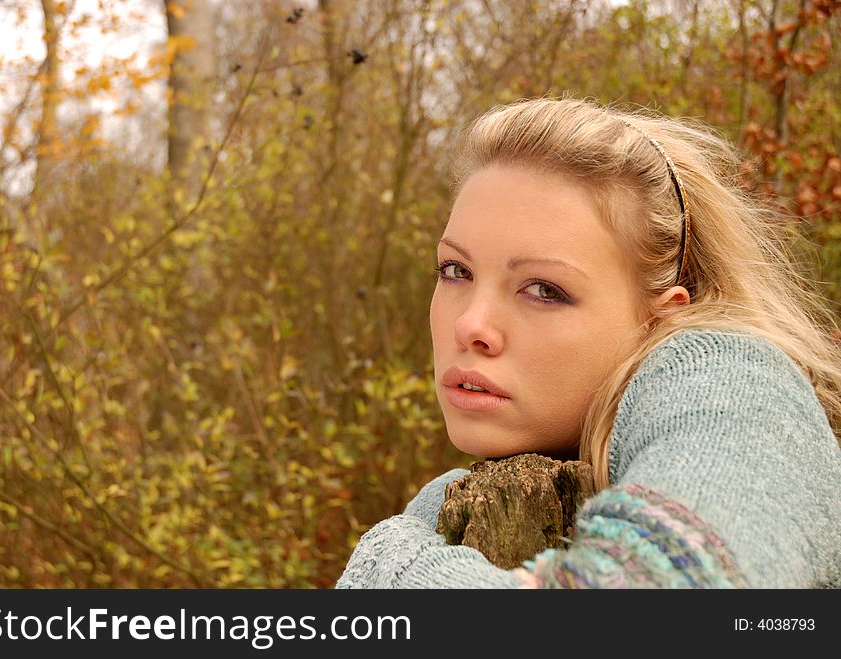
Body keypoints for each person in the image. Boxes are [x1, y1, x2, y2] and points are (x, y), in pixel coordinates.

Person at [335, 96, 841, 589]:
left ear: (660, 319)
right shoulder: (450, 506)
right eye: (456, 270)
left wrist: (396, 565)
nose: (470, 325)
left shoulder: (734, 386)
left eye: (543, 289)